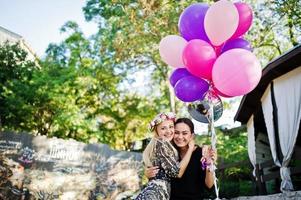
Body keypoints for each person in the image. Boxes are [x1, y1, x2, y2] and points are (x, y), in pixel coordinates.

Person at [146, 117, 217, 200]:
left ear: (192, 136)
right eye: (176, 132)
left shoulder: (201, 153)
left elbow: (209, 186)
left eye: (185, 133)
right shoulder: (168, 153)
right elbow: (157, 175)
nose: (180, 137)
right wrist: (148, 174)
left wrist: (209, 164)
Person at [135, 112, 195, 200]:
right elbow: (176, 173)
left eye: (171, 127)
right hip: (155, 194)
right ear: (157, 131)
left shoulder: (169, 145)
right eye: (163, 128)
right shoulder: (161, 143)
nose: (168, 131)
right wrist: (190, 149)